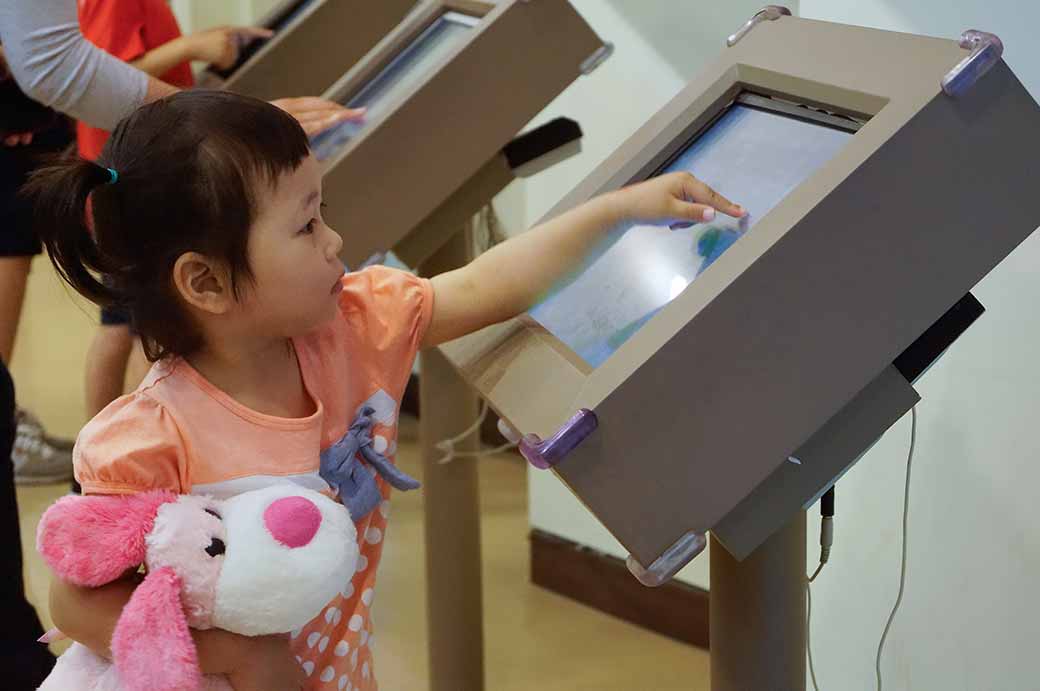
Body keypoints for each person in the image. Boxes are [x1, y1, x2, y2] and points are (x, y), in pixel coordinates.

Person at [25, 89, 745, 690]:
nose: (335, 240)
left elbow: (490, 283)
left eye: (323, 210)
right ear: (206, 282)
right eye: (305, 225)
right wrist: (240, 657)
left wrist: (618, 211)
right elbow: (74, 598)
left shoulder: (354, 325)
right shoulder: (151, 435)